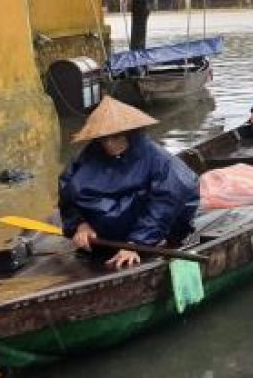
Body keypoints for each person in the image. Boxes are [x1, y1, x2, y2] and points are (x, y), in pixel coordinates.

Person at [59, 97, 200, 270]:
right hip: (103, 239)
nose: (109, 144)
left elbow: (165, 204)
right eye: (103, 138)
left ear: (131, 133)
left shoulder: (158, 160)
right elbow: (68, 195)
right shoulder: (86, 158)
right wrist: (80, 225)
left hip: (151, 235)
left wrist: (136, 243)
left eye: (116, 137)